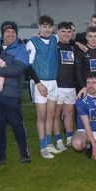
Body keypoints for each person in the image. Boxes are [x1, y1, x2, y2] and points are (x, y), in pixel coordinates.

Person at [0, 20, 31, 165]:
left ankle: (24, 154)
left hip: (11, 94)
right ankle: (1, 156)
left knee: (17, 124)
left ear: (16, 33)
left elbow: (17, 69)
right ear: (2, 33)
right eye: (7, 31)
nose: (10, 34)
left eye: (13, 32)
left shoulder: (20, 49)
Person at [26, 15, 61, 158]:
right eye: (44, 26)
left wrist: (79, 44)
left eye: (49, 26)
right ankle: (42, 148)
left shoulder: (55, 38)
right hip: (39, 82)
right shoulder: (32, 42)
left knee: (51, 114)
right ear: (39, 27)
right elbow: (27, 65)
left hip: (53, 81)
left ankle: (48, 143)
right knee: (42, 116)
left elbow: (70, 36)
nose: (47, 29)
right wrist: (38, 83)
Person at [53, 21, 82, 151]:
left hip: (71, 86)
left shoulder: (74, 47)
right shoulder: (54, 46)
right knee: (56, 114)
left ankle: (70, 138)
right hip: (57, 85)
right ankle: (59, 140)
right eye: (63, 31)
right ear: (58, 32)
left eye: (69, 31)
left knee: (69, 113)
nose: (66, 34)